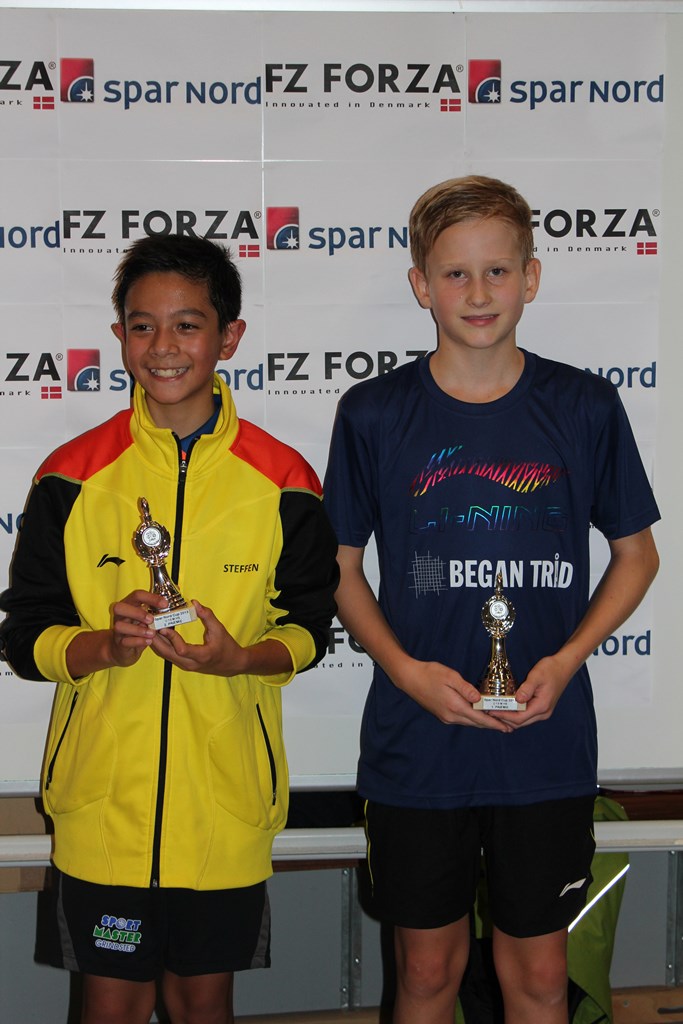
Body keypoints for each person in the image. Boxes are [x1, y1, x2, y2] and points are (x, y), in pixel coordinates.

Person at [323, 175, 660, 1024]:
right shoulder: (373, 413)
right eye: (455, 274)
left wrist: (565, 661)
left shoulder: (584, 405)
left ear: (531, 277)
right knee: (425, 971)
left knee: (541, 977)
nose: (477, 293)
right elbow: (339, 567)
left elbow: (636, 556)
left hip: (542, 738)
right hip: (417, 740)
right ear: (420, 285)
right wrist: (405, 672)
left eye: (497, 271)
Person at [0, 234, 339, 1024]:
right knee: (109, 1006)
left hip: (224, 807)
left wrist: (237, 659)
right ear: (119, 336)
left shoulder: (284, 480)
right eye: (142, 325)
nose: (163, 346)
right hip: (102, 810)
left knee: (202, 1003)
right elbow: (25, 636)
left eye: (187, 325)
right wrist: (102, 646)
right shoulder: (70, 475)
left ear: (229, 336)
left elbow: (309, 629)